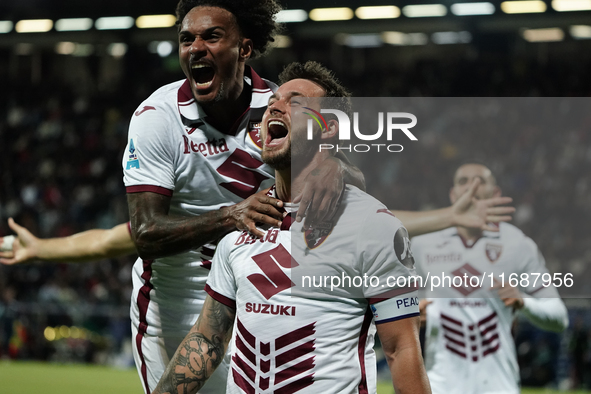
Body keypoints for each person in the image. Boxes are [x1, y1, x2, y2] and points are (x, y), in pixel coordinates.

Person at [119, 1, 368, 393]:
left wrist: (337, 168)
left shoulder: (278, 105)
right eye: (187, 39)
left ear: (245, 49)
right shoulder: (157, 117)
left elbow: (350, 177)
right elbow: (146, 232)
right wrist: (230, 217)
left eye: (211, 36)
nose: (195, 48)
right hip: (174, 302)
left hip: (254, 294)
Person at [153, 60, 432, 394]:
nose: (275, 107)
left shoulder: (372, 226)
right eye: (272, 103)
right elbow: (208, 339)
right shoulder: (243, 222)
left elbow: (401, 350)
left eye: (295, 103)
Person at [412, 163, 569, 394]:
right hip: (440, 385)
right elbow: (392, 303)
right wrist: (410, 314)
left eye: (480, 180)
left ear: (496, 194)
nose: (471, 186)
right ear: (453, 194)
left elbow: (559, 318)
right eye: (463, 181)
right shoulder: (422, 244)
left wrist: (524, 302)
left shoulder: (518, 245)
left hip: (498, 385)